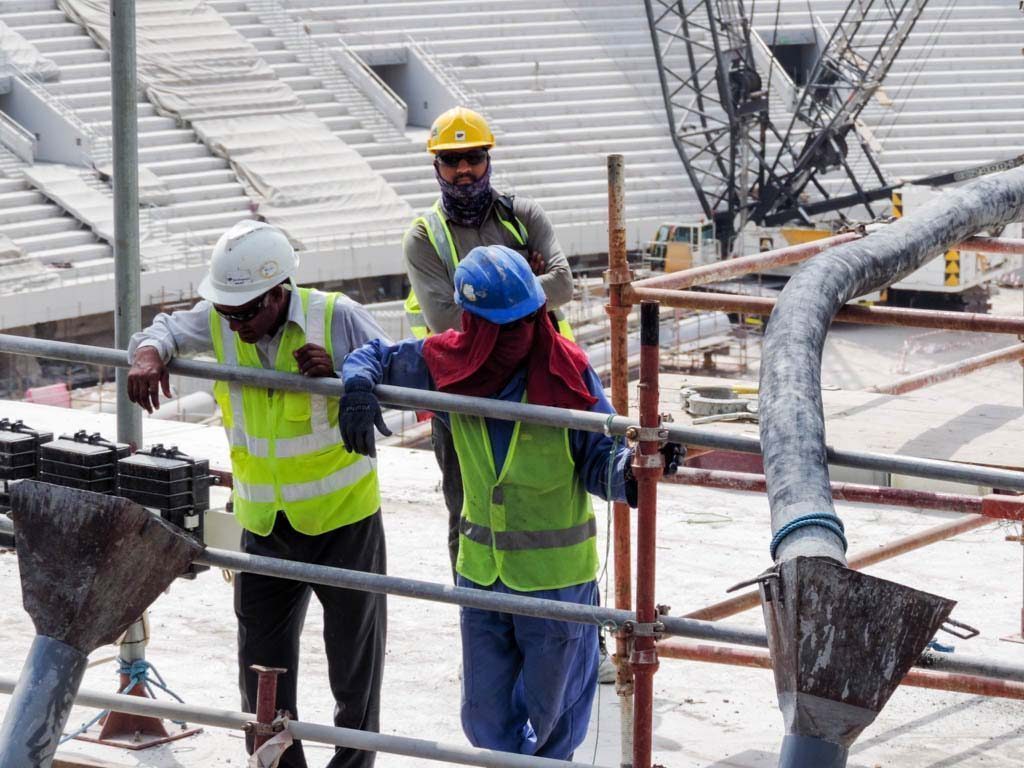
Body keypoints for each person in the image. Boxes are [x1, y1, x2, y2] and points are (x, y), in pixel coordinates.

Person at [340, 245, 681, 760]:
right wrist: (358, 385)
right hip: (482, 574)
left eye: (523, 323)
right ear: (471, 324)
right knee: (484, 718)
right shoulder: (448, 363)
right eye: (499, 328)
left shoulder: (566, 372)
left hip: (557, 583)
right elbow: (376, 357)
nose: (514, 339)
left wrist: (632, 472)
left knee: (553, 720)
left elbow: (601, 457)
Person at [126, 220, 388, 768]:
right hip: (265, 526)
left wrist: (348, 375)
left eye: (247, 312)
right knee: (261, 672)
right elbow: (167, 329)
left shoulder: (334, 316)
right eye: (227, 312)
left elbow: (398, 367)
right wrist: (147, 353)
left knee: (355, 672)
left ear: (279, 292)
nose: (236, 324)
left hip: (344, 522)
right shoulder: (223, 321)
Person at [402, 105, 576, 582]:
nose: (463, 171)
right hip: (461, 398)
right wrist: (525, 281)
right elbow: (444, 321)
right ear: (435, 166)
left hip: (539, 384)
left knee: (554, 507)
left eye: (473, 158)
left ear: (488, 160)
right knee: (469, 516)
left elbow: (566, 284)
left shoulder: (524, 216)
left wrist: (492, 300)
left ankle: (574, 628)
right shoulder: (424, 238)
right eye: (451, 161)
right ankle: (478, 618)